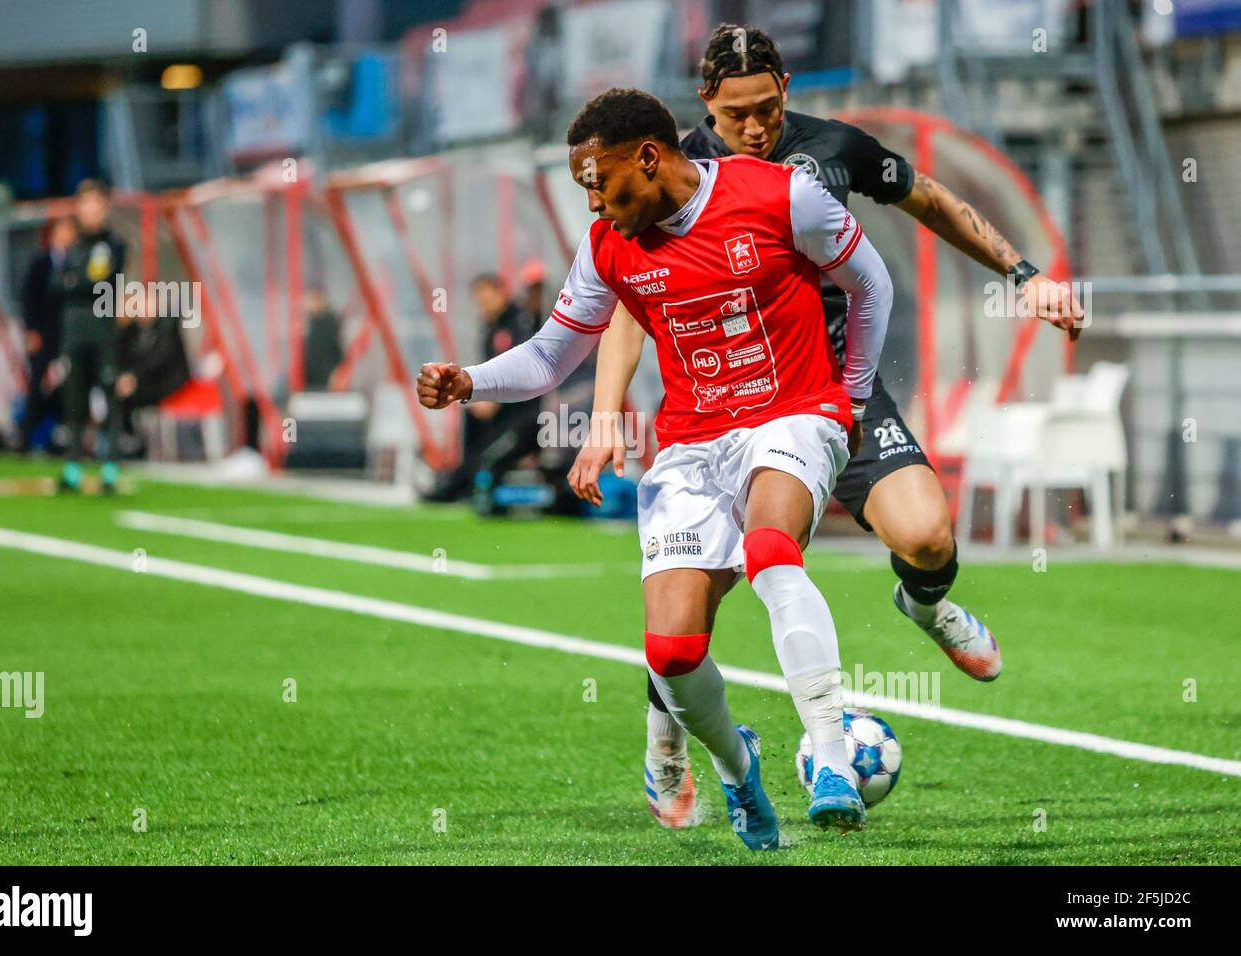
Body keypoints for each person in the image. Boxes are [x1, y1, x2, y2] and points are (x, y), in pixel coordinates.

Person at [565, 25, 1087, 829]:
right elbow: (629, 308)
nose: (755, 127)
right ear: (706, 104)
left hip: (833, 391)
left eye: (769, 108)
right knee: (688, 588)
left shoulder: (831, 149)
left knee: (928, 537)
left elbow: (930, 201)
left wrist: (1021, 274)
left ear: (786, 88)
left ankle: (925, 604)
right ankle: (663, 740)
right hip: (726, 408)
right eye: (737, 113)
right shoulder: (667, 169)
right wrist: (606, 416)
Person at [419, 87, 894, 849]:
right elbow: (550, 353)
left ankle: (833, 760)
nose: (593, 203)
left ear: (647, 156)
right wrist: (470, 379)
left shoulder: (780, 195)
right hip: (692, 444)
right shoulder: (610, 245)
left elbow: (871, 282)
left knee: (772, 550)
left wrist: (856, 397)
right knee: (672, 654)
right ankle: (741, 770)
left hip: (795, 412)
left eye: (596, 182)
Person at [423, 273, 542, 503]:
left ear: (501, 292)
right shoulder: (491, 329)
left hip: (525, 413)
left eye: (487, 297)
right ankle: (458, 482)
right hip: (502, 411)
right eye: (480, 300)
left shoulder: (520, 323)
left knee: (489, 453)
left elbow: (526, 366)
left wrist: (494, 397)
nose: (483, 304)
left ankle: (459, 487)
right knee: (472, 421)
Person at [54, 180, 127, 492]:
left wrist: (74, 281)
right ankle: (73, 467)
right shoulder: (72, 246)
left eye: (96, 204)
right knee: (74, 397)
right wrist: (75, 281)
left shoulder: (113, 245)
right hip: (73, 331)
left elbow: (100, 282)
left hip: (102, 330)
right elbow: (55, 284)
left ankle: (109, 468)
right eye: (85, 204)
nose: (91, 211)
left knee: (108, 395)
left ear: (104, 207)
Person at [17, 217, 76, 453]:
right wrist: (31, 331)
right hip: (44, 335)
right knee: (37, 385)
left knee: (68, 385)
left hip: (68, 336)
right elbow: (29, 299)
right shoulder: (40, 263)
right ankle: (26, 438)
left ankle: (61, 439)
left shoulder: (77, 263)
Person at [115, 289, 191, 457]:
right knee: (117, 389)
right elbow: (123, 357)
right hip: (145, 382)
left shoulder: (167, 324)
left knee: (129, 393)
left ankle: (132, 442)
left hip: (168, 383)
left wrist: (134, 377)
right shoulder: (135, 330)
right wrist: (122, 326)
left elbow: (159, 359)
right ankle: (126, 439)